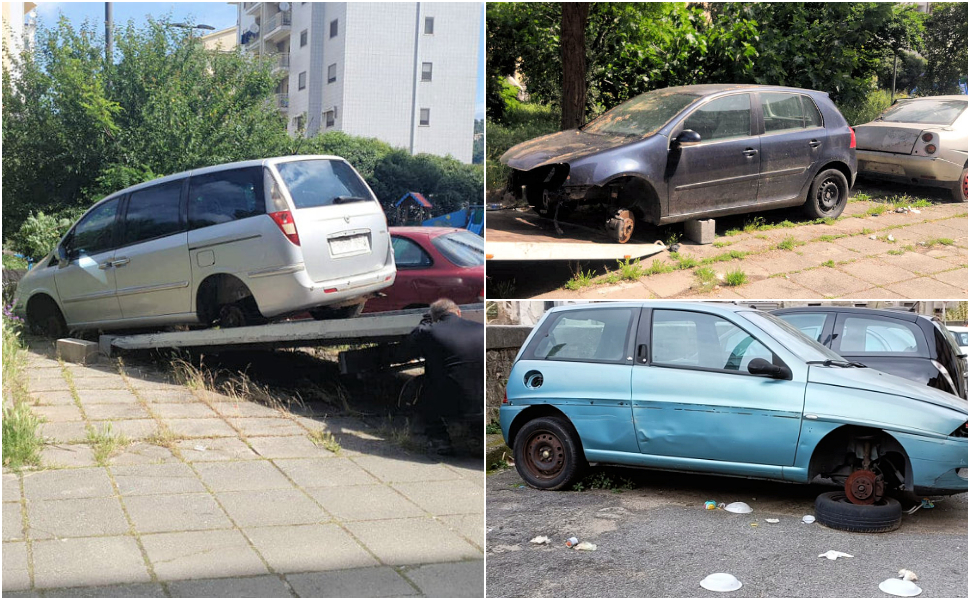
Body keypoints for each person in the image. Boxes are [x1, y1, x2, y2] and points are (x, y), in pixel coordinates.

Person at [405, 298, 483, 455]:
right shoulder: (481, 328)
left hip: (448, 404)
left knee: (422, 387)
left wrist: (424, 324)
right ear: (458, 312)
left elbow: (407, 350)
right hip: (482, 401)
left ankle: (440, 439)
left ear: (435, 318)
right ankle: (477, 436)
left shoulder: (430, 332)